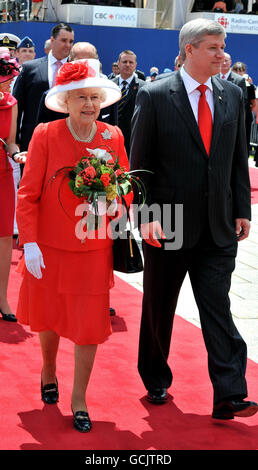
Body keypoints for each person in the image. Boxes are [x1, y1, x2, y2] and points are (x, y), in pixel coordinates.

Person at [130, 18, 258, 420]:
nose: (223, 55)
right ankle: (155, 377)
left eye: (223, 47)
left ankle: (229, 393)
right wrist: (146, 217)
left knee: (217, 306)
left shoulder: (233, 96)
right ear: (190, 50)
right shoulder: (154, 95)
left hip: (218, 225)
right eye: (214, 48)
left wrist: (241, 208)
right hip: (167, 222)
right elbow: (140, 165)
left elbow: (239, 159)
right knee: (159, 306)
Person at [16, 59, 132, 432]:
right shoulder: (45, 135)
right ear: (65, 101)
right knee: (48, 318)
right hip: (48, 249)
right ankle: (48, 369)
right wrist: (30, 242)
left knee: (88, 327)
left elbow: (125, 185)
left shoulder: (112, 136)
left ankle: (79, 398)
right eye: (81, 97)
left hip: (92, 250)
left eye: (95, 98)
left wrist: (116, 204)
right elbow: (28, 193)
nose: (89, 105)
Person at [13, 22, 74, 152]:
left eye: (71, 41)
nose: (68, 45)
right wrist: (15, 140)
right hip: (32, 139)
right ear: (52, 40)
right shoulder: (30, 68)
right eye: (64, 40)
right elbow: (17, 106)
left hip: (67, 140)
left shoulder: (77, 70)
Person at [0, 48, 26, 323]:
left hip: (3, 173)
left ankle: (2, 297)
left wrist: (17, 152)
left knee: (5, 237)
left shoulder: (11, 101)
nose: (10, 80)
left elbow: (10, 140)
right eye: (6, 75)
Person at [113, 50, 145, 155]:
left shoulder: (144, 87)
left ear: (135, 65)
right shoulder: (110, 85)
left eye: (131, 62)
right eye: (124, 61)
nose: (127, 65)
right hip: (111, 136)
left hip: (133, 139)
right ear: (118, 64)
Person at [232, 61, 256, 151]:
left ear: (244, 72)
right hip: (231, 114)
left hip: (245, 116)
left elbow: (253, 103)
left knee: (244, 137)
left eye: (241, 71)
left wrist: (246, 111)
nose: (238, 73)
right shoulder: (227, 82)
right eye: (236, 70)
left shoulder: (250, 86)